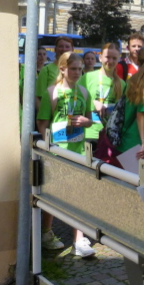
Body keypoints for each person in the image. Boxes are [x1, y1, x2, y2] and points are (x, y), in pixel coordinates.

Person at [36, 52, 96, 258]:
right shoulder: (51, 93)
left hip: (78, 151)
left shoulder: (84, 92)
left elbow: (90, 118)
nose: (77, 72)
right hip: (57, 152)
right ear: (62, 69)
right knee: (55, 195)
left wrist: (87, 122)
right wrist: (48, 148)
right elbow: (42, 122)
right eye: (73, 69)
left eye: (80, 69)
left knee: (77, 195)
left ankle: (78, 240)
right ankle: (46, 232)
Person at [77, 43, 125, 146]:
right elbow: (76, 99)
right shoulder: (87, 77)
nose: (110, 61)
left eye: (114, 58)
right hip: (89, 132)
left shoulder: (122, 84)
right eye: (107, 57)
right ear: (100, 58)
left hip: (110, 134)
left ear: (118, 60)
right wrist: (93, 103)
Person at [116, 47, 144, 162]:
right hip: (137, 143)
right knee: (139, 173)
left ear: (137, 61)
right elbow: (141, 114)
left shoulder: (131, 80)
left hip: (125, 137)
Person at [35, 36, 74, 111]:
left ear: (72, 49)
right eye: (61, 46)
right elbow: (38, 98)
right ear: (55, 49)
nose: (64, 49)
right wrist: (45, 115)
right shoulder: (46, 70)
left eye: (67, 47)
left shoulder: (77, 70)